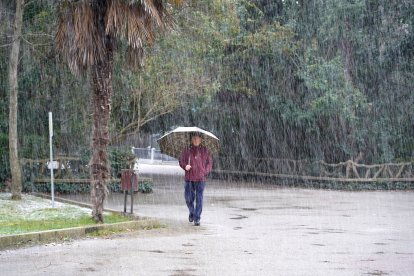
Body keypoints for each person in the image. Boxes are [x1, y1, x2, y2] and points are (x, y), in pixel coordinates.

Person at [179, 132, 213, 226]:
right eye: (194, 138)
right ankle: (192, 212)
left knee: (199, 198)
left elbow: (209, 163)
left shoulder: (205, 150)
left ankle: (197, 218)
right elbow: (181, 160)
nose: (196, 140)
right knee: (188, 198)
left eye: (198, 138)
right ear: (191, 139)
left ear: (201, 140)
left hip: (201, 179)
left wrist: (205, 171)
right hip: (189, 178)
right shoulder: (186, 150)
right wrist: (185, 166)